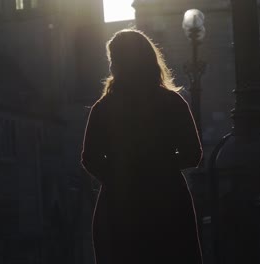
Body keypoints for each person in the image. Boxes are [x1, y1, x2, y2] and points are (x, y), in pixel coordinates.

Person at [81, 29, 203, 264]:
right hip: (168, 201)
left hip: (118, 205)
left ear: (116, 63)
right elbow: (193, 154)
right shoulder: (172, 103)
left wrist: (118, 174)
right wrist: (163, 167)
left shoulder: (103, 108)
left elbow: (89, 158)